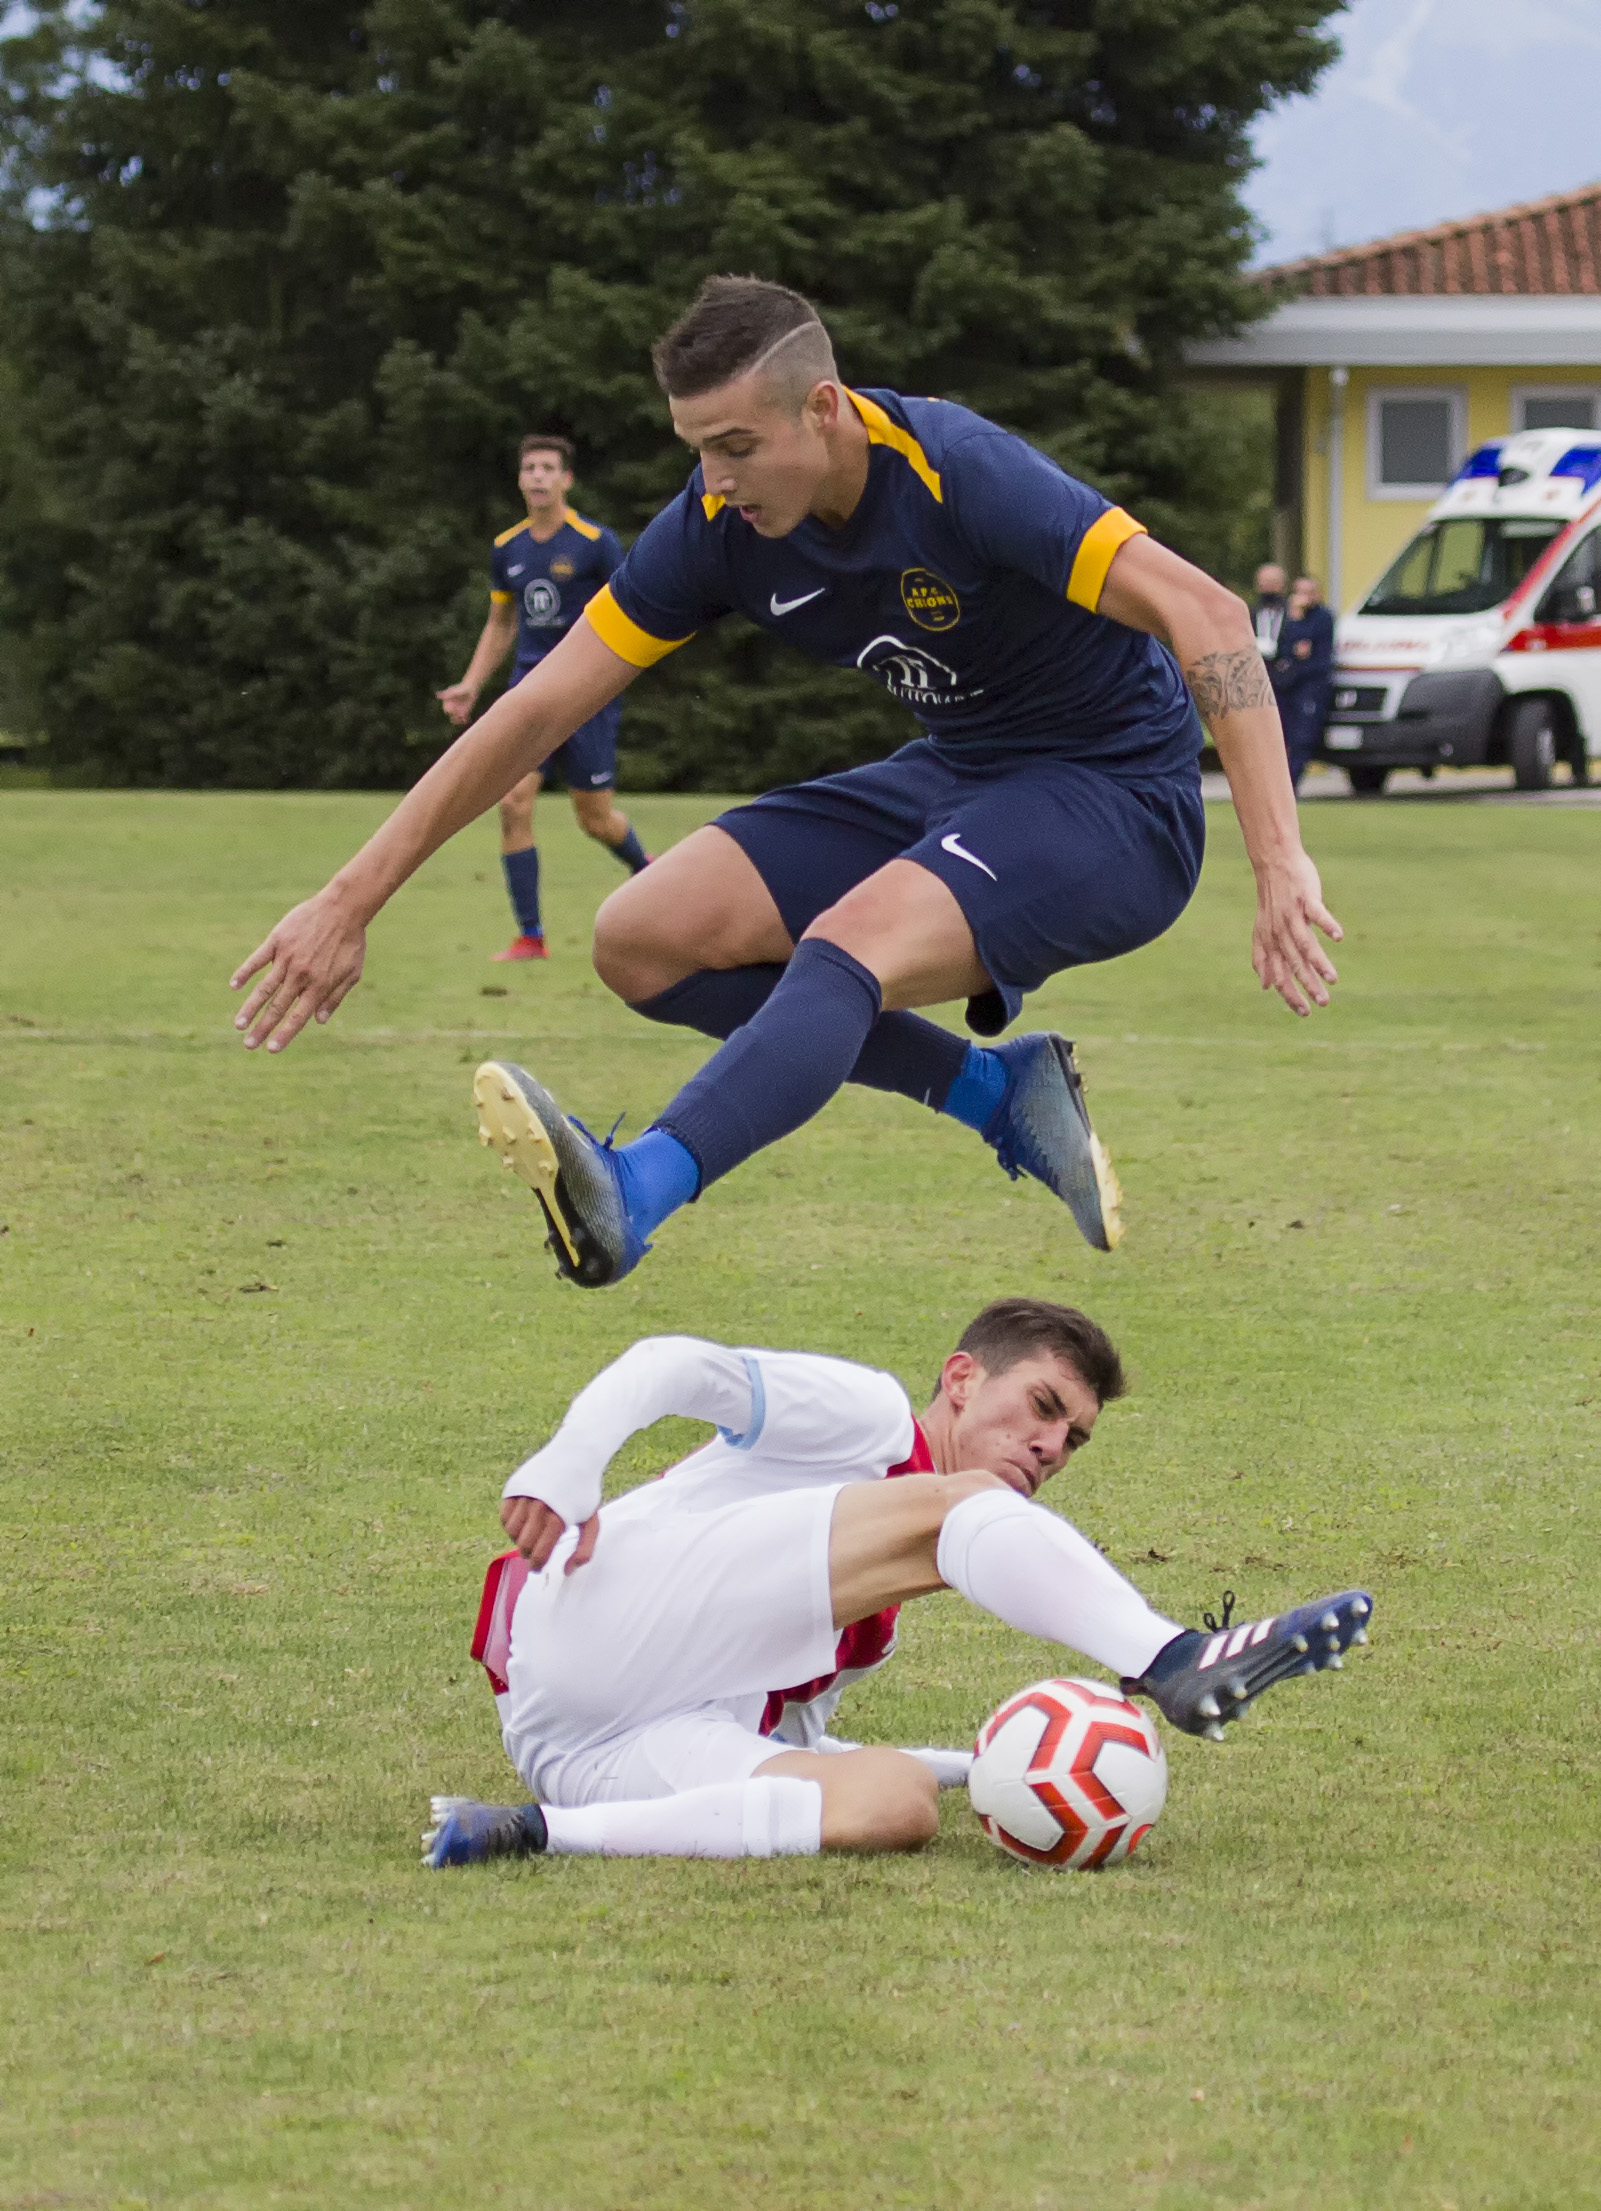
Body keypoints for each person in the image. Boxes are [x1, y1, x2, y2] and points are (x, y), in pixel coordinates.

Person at [234, 278, 1343, 1288]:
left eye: (735, 447)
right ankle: (996, 1092)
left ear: (822, 409)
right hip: (959, 772)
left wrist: (1278, 858)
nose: (715, 482)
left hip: (1115, 798)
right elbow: (534, 709)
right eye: (696, 451)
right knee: (641, 938)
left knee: (849, 941)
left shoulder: (957, 469)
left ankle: (637, 1189)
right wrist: (349, 898)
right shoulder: (718, 526)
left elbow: (1205, 612)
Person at [422, 1298, 1372, 1866]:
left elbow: (784, 1738)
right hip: (592, 1608)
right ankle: (1172, 1655)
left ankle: (531, 1833)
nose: (1051, 1445)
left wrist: (982, 1765)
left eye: (1073, 1439)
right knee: (954, 1507)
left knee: (891, 1804)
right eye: (1042, 1406)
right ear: (961, 1378)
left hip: (579, 1755)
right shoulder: (870, 1418)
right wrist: (570, 1458)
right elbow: (671, 1364)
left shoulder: (884, 1596)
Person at [436, 433, 651, 963]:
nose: (538, 476)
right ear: (520, 479)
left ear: (566, 480)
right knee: (512, 803)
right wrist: (471, 683)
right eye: (529, 467)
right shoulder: (507, 548)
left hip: (586, 693)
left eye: (548, 468)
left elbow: (631, 612)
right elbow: (501, 622)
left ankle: (649, 872)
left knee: (595, 820)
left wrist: (615, 676)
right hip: (529, 691)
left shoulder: (596, 542)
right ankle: (530, 936)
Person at [1270, 575, 1336, 792]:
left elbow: (1317, 656)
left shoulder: (1323, 618)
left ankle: (1289, 787)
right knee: (1281, 737)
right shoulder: (1285, 617)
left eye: (1309, 592)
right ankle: (1277, 785)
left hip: (1310, 686)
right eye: (1300, 592)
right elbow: (1283, 650)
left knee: (1303, 738)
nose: (1303, 597)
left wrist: (1299, 632)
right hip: (1286, 685)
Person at [1251, 561, 1288, 661]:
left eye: (1274, 583)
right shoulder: (1250, 614)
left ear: (1283, 586)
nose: (1269, 588)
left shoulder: (1292, 614)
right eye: (1265, 583)